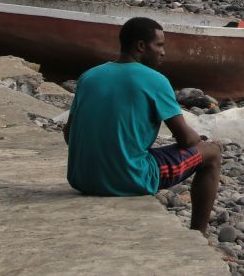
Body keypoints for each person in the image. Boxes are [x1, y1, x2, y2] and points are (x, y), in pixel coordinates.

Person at [63, 17, 221, 234]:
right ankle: (199, 233)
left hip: (81, 178)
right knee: (212, 153)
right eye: (159, 45)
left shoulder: (89, 76)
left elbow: (68, 134)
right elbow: (185, 138)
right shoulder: (155, 80)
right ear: (141, 46)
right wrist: (199, 140)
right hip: (130, 177)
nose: (163, 52)